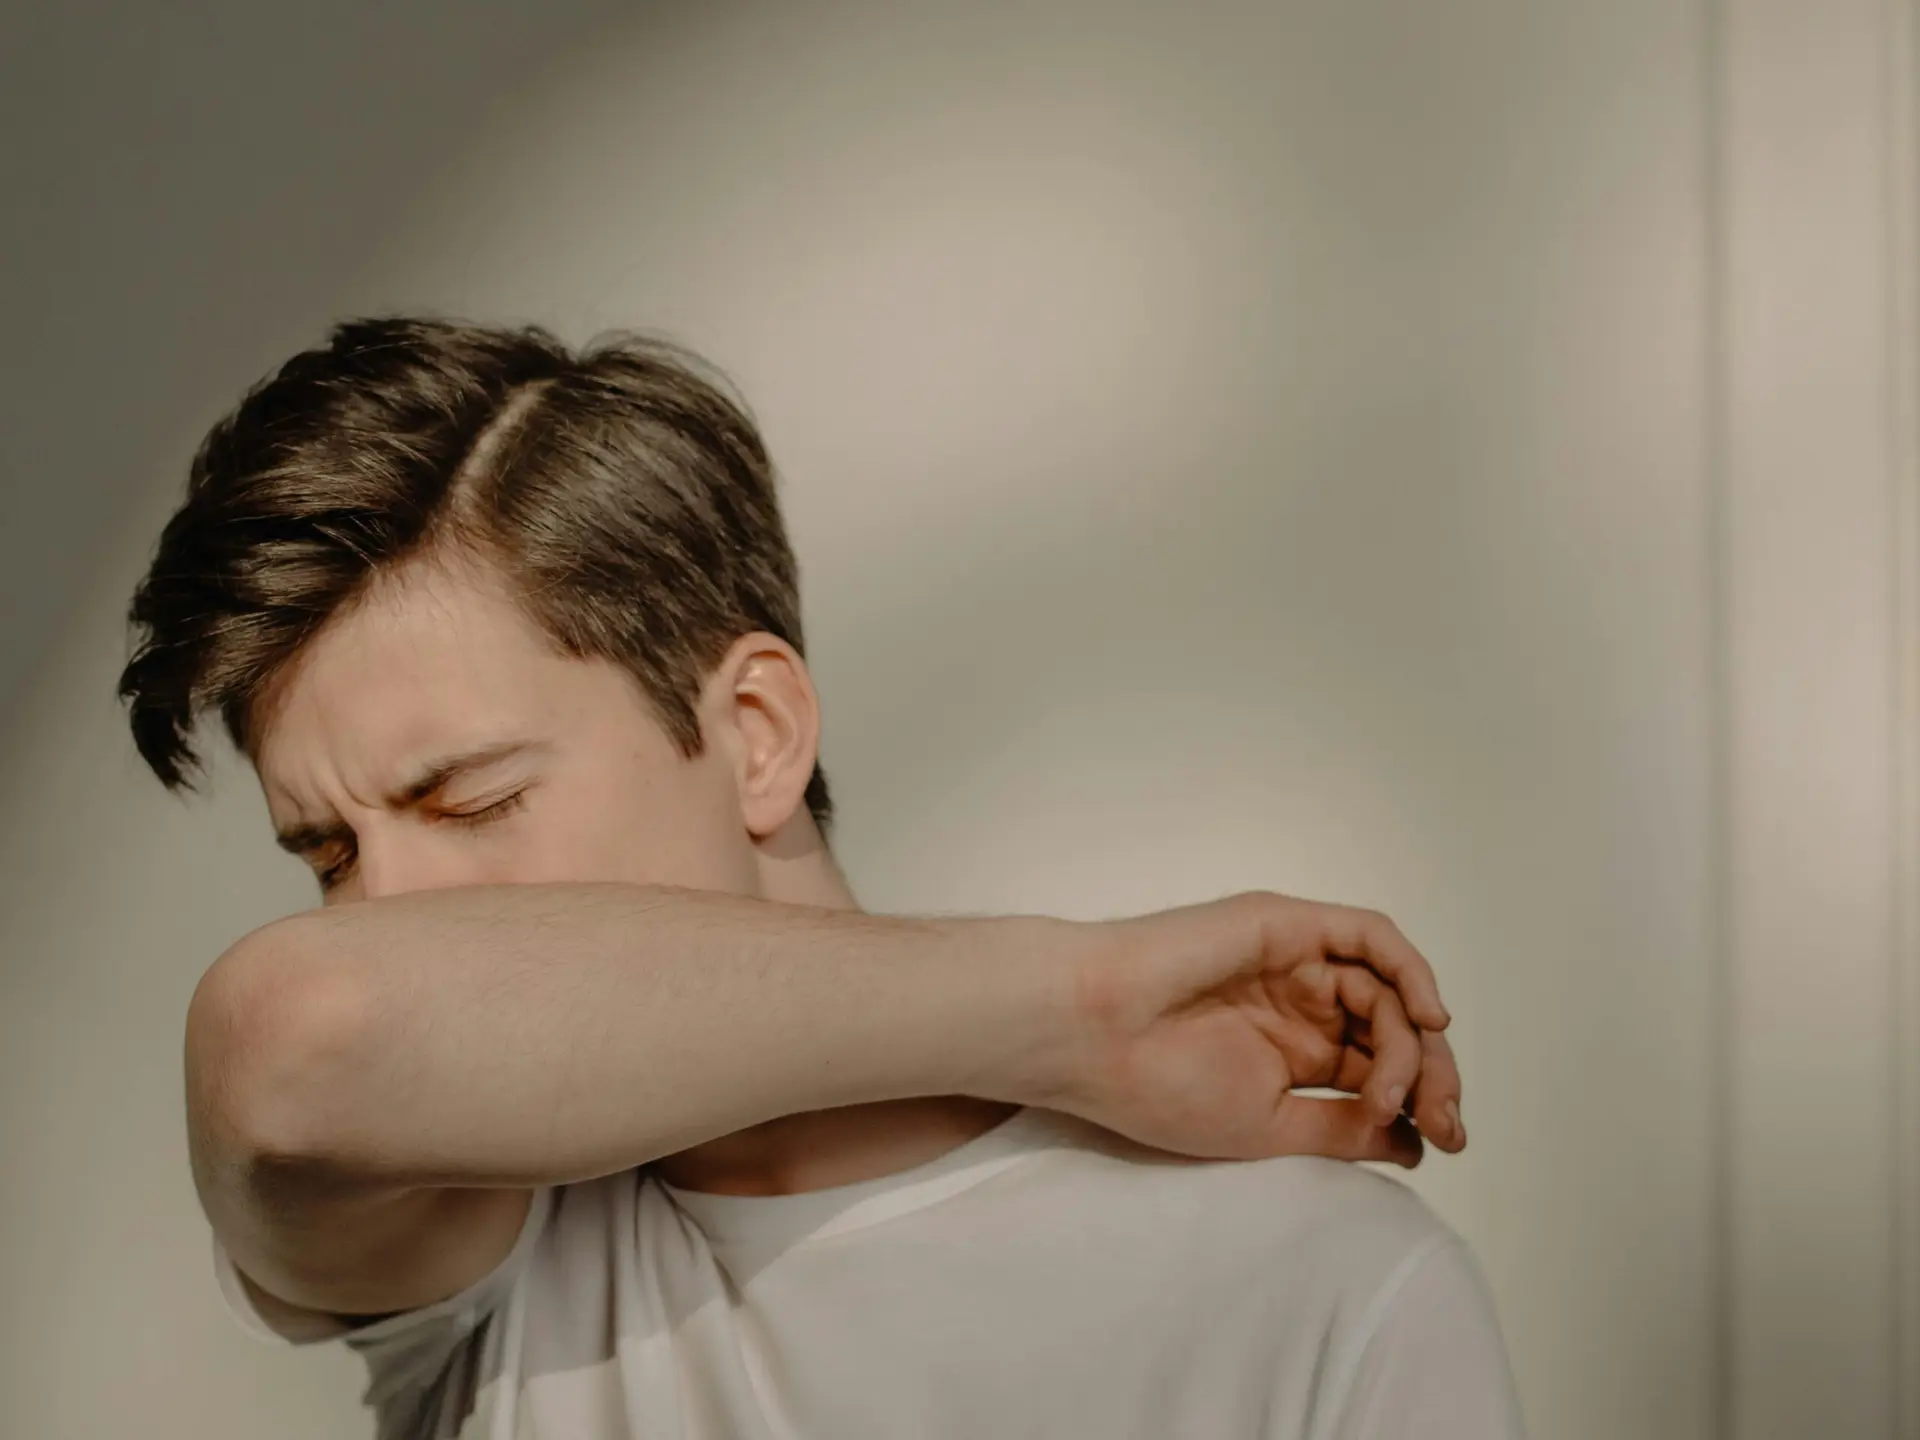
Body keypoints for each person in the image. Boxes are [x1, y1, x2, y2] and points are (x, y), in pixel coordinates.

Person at [121, 317, 1528, 1439]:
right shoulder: (477, 1245)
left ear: (757, 736)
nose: (385, 918)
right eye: (331, 854)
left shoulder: (1312, 1283)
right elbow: (293, 1039)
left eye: (472, 800)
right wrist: (1077, 1001)